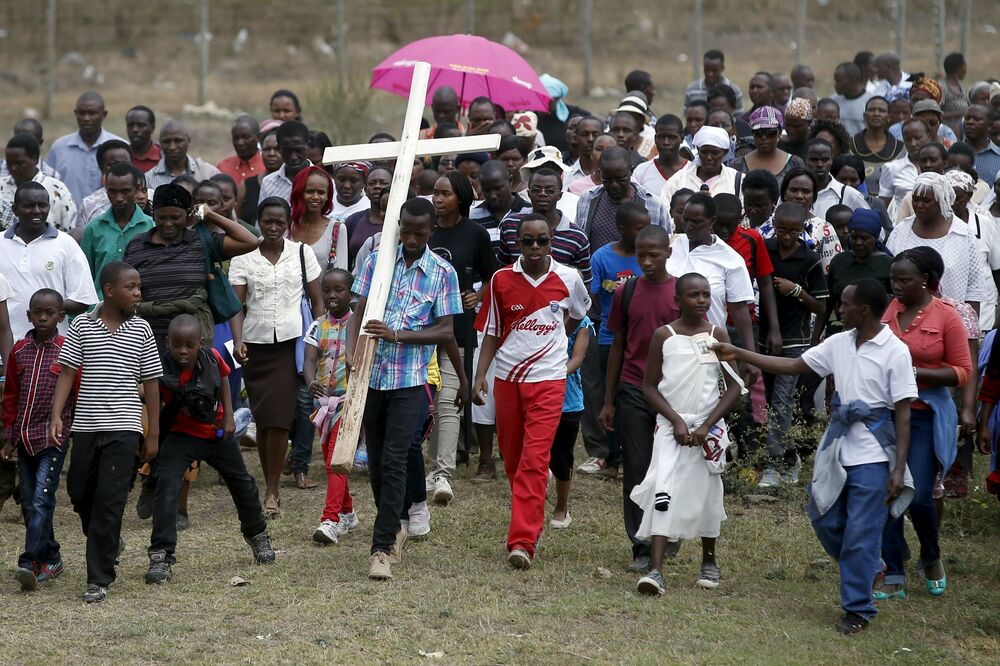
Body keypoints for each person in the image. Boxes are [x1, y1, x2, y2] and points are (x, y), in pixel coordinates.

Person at [712, 278, 916, 635]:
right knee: (823, 516)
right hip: (839, 445)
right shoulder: (839, 342)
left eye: (846, 304)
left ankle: (858, 609)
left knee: (861, 532)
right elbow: (793, 367)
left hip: (873, 453)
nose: (839, 310)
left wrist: (898, 468)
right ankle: (869, 566)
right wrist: (741, 354)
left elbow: (902, 412)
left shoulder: (895, 351)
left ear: (864, 310)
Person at [347, 197, 462, 580]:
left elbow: (446, 331)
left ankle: (380, 549)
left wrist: (398, 334)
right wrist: (351, 353)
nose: (411, 239)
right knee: (377, 460)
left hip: (411, 379)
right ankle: (394, 523)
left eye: (420, 232)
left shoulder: (442, 272)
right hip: (372, 377)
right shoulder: (378, 260)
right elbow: (358, 311)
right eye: (406, 231)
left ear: (432, 230)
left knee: (396, 457)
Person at [473, 213, 590, 570]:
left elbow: (579, 315)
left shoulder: (569, 277)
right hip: (507, 379)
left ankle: (522, 541)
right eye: (528, 241)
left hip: (549, 380)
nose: (536, 248)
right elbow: (491, 331)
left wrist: (559, 346)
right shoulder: (500, 279)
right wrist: (481, 376)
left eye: (543, 240)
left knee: (535, 459)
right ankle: (530, 507)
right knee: (512, 458)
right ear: (517, 243)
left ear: (552, 239)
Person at [48, 261, 163, 604]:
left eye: (139, 286)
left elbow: (153, 384)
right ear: (110, 290)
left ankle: (98, 578)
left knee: (110, 501)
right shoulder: (82, 325)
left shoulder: (142, 329)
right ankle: (108, 541)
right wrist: (56, 416)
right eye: (132, 287)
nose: (138, 293)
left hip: (124, 427)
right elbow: (67, 373)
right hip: (85, 426)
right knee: (79, 491)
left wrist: (153, 432)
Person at [633, 272, 743, 595]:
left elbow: (734, 386)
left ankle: (709, 560)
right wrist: (677, 420)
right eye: (694, 295)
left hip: (707, 428)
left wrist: (706, 425)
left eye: (706, 295)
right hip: (671, 427)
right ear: (677, 300)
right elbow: (649, 387)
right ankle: (655, 570)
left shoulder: (716, 334)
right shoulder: (663, 336)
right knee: (663, 490)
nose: (702, 301)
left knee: (708, 492)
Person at [144, 315, 275, 584]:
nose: (183, 351)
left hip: (215, 434)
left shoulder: (212, 356)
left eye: (189, 345)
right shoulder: (159, 365)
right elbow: (151, 395)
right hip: (180, 436)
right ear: (167, 342)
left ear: (200, 344)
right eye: (177, 344)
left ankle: (258, 536)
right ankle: (161, 556)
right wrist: (153, 434)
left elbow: (225, 379)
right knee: (167, 488)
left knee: (243, 484)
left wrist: (228, 417)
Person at [876, 247, 971, 602]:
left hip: (925, 413)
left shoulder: (947, 316)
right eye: (893, 280)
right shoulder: (892, 310)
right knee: (886, 489)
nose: (897, 286)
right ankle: (894, 569)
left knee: (917, 496)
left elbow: (962, 371)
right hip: (887, 412)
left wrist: (915, 373)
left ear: (926, 280)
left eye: (905, 280)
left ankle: (931, 556)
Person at [229, 197, 323, 517]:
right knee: (264, 419)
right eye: (267, 221)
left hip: (290, 345)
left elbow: (317, 301)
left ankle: (271, 491)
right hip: (254, 350)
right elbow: (236, 307)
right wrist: (238, 341)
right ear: (258, 221)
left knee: (280, 419)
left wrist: (321, 341)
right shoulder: (244, 257)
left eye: (279, 222)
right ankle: (269, 481)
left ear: (288, 224)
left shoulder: (301, 253)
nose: (273, 227)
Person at [598, 225, 679, 572]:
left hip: (673, 392)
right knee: (637, 467)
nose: (646, 261)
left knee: (670, 468)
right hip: (632, 389)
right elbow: (618, 345)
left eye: (653, 255)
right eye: (641, 255)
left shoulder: (682, 292)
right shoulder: (627, 291)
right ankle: (641, 544)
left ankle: (668, 533)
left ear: (668, 253)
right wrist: (608, 400)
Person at [426, 172, 494, 502]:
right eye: (435, 193)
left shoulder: (475, 234)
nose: (437, 199)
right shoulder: (424, 230)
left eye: (444, 194)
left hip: (459, 330)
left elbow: (494, 276)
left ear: (461, 198)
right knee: (429, 402)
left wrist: (478, 296)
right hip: (421, 329)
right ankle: (429, 465)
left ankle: (442, 473)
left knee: (450, 399)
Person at [2, 289, 76, 592]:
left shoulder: (69, 350)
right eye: (37, 312)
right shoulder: (19, 351)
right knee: (33, 505)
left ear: (61, 316)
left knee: (41, 500)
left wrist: (70, 429)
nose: (43, 317)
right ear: (28, 316)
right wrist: (8, 436)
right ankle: (53, 556)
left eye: (50, 313)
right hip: (24, 439)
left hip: (53, 439)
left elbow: (75, 393)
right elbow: (11, 397)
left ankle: (29, 561)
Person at [125, 183, 258, 351]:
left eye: (175, 218)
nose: (168, 224)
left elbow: (251, 241)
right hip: (148, 340)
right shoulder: (136, 245)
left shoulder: (202, 242)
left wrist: (210, 215)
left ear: (188, 216)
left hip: (194, 343)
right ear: (153, 215)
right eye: (161, 218)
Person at [758, 202, 828, 487]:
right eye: (781, 230)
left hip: (795, 339)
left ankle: (774, 466)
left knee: (783, 402)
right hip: (764, 336)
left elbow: (821, 307)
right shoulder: (765, 249)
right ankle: (788, 457)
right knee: (771, 399)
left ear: (803, 229)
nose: (786, 237)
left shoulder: (809, 259)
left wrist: (796, 290)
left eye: (793, 231)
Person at [587, 203, 650, 475]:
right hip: (610, 338)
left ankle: (637, 454)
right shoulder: (601, 257)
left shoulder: (649, 257)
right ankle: (612, 456)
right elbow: (594, 296)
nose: (644, 233)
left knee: (636, 396)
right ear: (622, 229)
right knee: (609, 395)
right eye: (639, 228)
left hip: (643, 340)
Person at [667, 192, 757, 375]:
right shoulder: (670, 245)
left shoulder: (730, 259)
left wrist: (751, 357)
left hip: (708, 346)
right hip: (670, 343)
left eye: (696, 221)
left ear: (712, 221)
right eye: (685, 219)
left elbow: (739, 310)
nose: (689, 226)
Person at [0, 182, 98, 342]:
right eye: (29, 206)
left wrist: (45, 308)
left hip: (52, 352)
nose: (37, 211)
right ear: (14, 209)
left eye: (42, 205)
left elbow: (82, 300)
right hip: (4, 351)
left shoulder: (66, 244)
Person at [305, 268, 360, 545]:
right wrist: (311, 381)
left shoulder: (358, 326)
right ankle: (348, 512)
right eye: (327, 290)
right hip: (323, 403)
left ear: (350, 292)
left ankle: (330, 519)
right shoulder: (317, 325)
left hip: (348, 402)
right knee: (330, 459)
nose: (332, 295)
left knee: (336, 459)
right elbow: (309, 361)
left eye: (339, 290)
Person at [887, 172, 985, 309]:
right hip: (905, 317)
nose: (919, 205)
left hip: (952, 319)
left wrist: (970, 325)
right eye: (915, 199)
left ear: (941, 200)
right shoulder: (901, 231)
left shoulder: (963, 234)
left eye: (926, 201)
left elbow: (974, 288)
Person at [816, 209, 893, 338]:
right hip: (841, 331)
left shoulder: (888, 264)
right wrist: (815, 339)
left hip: (875, 334)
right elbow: (828, 304)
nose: (858, 242)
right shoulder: (840, 261)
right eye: (854, 237)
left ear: (875, 238)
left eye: (864, 238)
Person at [81, 163, 154, 295]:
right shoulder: (93, 228)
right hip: (100, 309)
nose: (119, 198)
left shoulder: (151, 227)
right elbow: (85, 278)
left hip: (141, 309)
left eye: (125, 191)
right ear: (106, 190)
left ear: (136, 189)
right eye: (112, 191)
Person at [549, 315, 593, 530]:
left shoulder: (582, 322)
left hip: (568, 400)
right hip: (538, 393)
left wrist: (552, 374)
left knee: (562, 457)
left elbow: (577, 358)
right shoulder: (542, 313)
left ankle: (561, 507)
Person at [47, 91, 126, 205]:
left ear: (104, 115)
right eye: (82, 113)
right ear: (75, 113)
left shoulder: (120, 148)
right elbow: (49, 186)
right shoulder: (59, 148)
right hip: (68, 220)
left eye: (92, 113)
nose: (86, 118)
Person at [0, 134, 76, 231]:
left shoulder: (56, 190)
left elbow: (70, 229)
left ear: (35, 160)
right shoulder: (1, 186)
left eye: (20, 163)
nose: (13, 168)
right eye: (9, 163)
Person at [661, 126, 743, 203]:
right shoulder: (678, 181)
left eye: (715, 153)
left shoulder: (737, 180)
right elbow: (665, 212)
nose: (709, 157)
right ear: (698, 150)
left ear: (725, 152)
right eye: (704, 152)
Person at [289, 165, 348, 269]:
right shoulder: (287, 226)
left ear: (327, 196)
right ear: (298, 193)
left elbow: (340, 272)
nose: (315, 197)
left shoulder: (337, 229)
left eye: (321, 192)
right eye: (309, 191)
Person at [731, 107, 804, 181]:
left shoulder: (794, 163)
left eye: (770, 132)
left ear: (780, 132)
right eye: (758, 133)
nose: (764, 137)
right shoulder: (738, 165)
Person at [471, 159, 529, 253]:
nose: (493, 195)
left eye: (498, 188)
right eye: (487, 190)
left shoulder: (529, 213)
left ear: (510, 181)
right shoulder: (473, 217)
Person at [143, 120, 220, 190]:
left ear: (188, 141)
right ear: (160, 143)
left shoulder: (209, 173)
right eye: (166, 141)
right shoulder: (148, 180)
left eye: (178, 141)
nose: (172, 147)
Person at [850, 96, 903, 195]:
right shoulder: (850, 146)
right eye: (871, 110)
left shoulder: (900, 149)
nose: (876, 114)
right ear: (864, 116)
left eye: (881, 111)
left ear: (889, 117)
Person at [806, 139, 871, 220]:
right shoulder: (797, 191)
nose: (820, 164)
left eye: (825, 160)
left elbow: (872, 226)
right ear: (805, 159)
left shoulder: (849, 194)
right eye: (814, 160)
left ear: (831, 160)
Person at [75, 139, 133, 228]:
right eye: (114, 164)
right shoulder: (89, 205)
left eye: (125, 164)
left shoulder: (149, 197)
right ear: (101, 167)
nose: (121, 169)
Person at [879, 119, 932, 216]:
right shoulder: (892, 168)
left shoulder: (938, 166)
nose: (913, 143)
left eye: (917, 138)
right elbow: (882, 205)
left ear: (928, 136)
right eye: (908, 139)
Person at [345, 166, 392, 269]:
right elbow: (346, 262)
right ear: (365, 189)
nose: (377, 186)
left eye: (383, 183)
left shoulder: (400, 222)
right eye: (372, 183)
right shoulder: (353, 221)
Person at [632, 114, 687, 195]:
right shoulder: (641, 171)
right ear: (655, 138)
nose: (666, 142)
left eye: (672, 138)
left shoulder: (692, 171)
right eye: (661, 137)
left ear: (682, 139)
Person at [260, 120, 312, 204]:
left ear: (308, 146)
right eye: (287, 151)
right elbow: (264, 215)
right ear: (279, 148)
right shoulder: (268, 183)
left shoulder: (325, 181)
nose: (293, 157)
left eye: (298, 150)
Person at [238, 128, 283, 226]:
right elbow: (236, 220)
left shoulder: (291, 184)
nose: (271, 154)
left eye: (277, 149)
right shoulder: (246, 185)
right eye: (267, 149)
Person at [684, 50, 745, 114]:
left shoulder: (734, 90)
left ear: (722, 68)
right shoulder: (692, 90)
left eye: (714, 70)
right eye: (707, 70)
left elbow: (738, 117)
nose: (710, 74)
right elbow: (687, 116)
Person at [217, 115, 265, 182]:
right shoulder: (222, 167)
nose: (240, 142)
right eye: (236, 138)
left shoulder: (267, 166)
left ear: (258, 137)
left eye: (245, 137)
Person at [831, 63, 874, 136]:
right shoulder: (833, 101)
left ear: (854, 80)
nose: (836, 85)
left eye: (839, 81)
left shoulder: (871, 102)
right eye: (835, 81)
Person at [563, 116, 604, 190]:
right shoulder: (565, 176)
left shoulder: (613, 176)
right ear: (576, 137)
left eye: (595, 134)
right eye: (585, 134)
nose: (590, 139)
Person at [964, 105, 1000, 185]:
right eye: (967, 118)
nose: (970, 122)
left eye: (977, 119)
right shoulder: (951, 153)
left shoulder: (998, 157)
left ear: (989, 125)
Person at [939, 53, 969, 134]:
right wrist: (960, 113)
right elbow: (936, 114)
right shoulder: (942, 88)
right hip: (948, 134)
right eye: (964, 66)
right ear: (958, 68)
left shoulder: (962, 87)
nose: (966, 70)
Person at [125, 105, 160, 173]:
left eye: (141, 125)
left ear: (152, 128)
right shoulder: (119, 158)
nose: (135, 130)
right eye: (130, 125)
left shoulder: (164, 158)